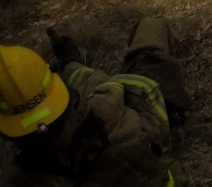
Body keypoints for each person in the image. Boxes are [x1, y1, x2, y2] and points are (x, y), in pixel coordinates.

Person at [0, 17, 192, 186]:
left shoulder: (18, 179)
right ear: (65, 95)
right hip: (155, 105)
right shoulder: (106, 115)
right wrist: (72, 64)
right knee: (151, 25)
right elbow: (102, 84)